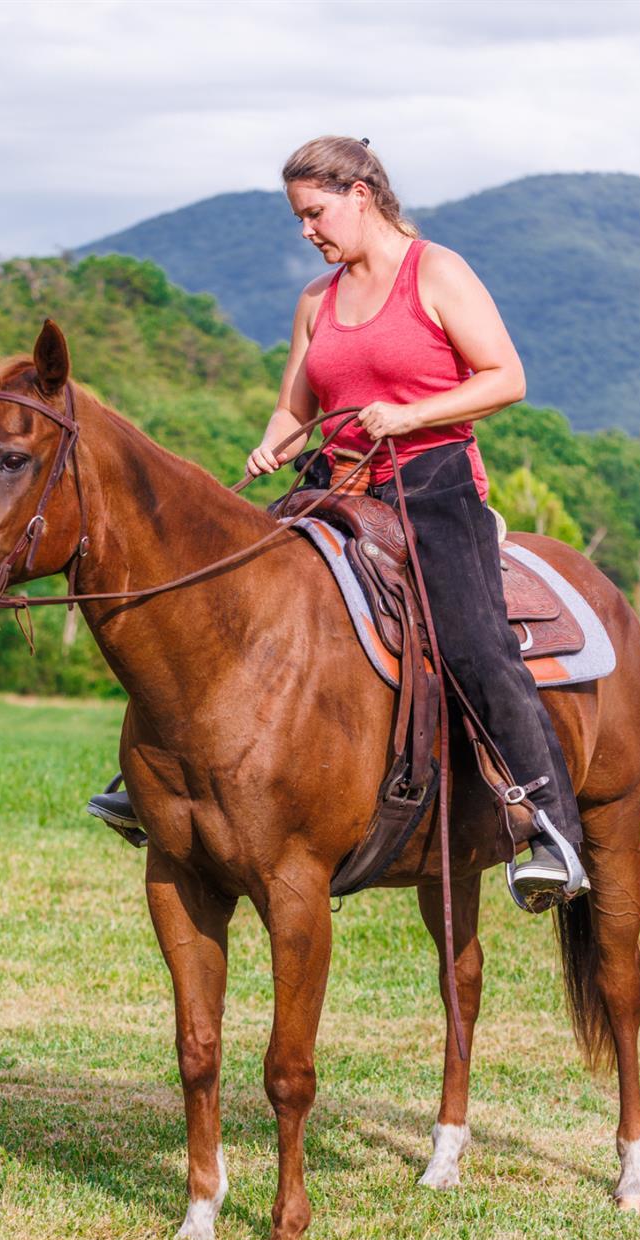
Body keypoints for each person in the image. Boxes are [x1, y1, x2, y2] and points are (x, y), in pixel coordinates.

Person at [89, 135, 585, 907]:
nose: (307, 231)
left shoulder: (438, 271)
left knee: (474, 646)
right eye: (299, 218)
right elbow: (298, 406)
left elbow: (506, 377)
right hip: (331, 486)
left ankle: (547, 826)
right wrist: (270, 444)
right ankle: (153, 787)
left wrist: (407, 414)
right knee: (226, 608)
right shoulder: (316, 300)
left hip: (432, 485)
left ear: (362, 195)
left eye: (315, 213)